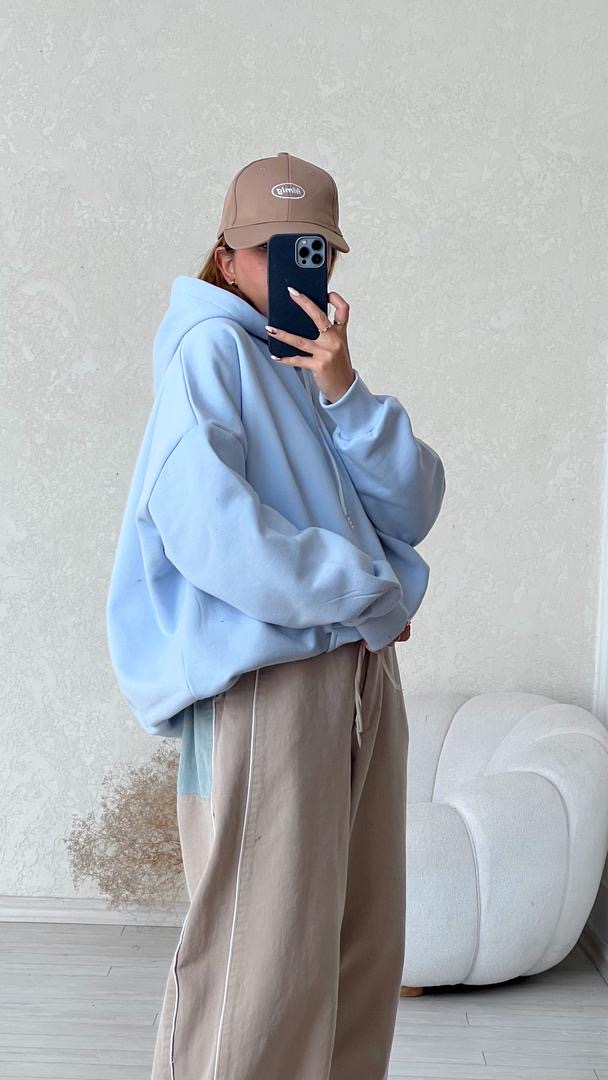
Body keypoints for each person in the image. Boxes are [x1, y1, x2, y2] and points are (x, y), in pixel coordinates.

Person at [106, 151, 446, 1080]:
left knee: (358, 950)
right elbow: (207, 527)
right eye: (272, 248)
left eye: (314, 250)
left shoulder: (309, 366)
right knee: (259, 966)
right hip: (269, 683)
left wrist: (344, 387)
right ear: (227, 257)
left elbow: (413, 504)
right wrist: (366, 594)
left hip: (356, 673)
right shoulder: (210, 352)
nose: (298, 266)